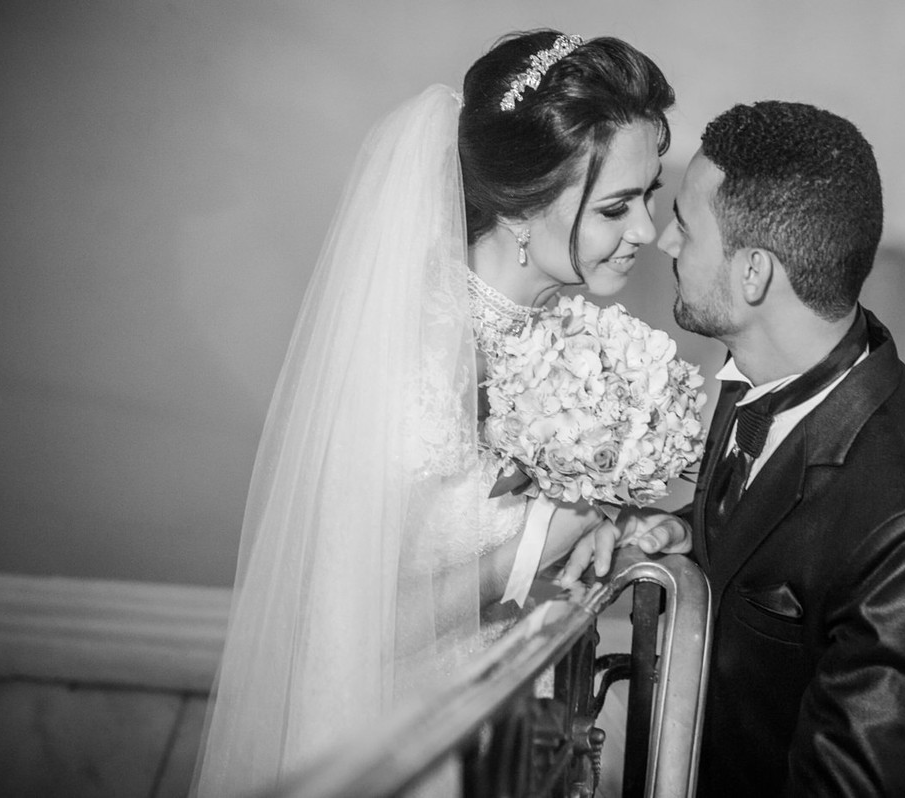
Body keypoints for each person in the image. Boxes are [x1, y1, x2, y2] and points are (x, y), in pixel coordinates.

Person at [192, 30, 675, 796]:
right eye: (618, 206)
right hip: (420, 740)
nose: (648, 230)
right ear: (522, 209)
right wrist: (548, 537)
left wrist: (615, 520)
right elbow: (356, 630)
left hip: (528, 715)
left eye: (649, 195)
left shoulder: (575, 335)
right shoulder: (417, 361)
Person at [609, 101, 905, 795]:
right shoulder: (760, 372)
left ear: (754, 274)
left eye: (686, 226)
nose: (665, 241)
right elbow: (769, 538)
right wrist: (684, 535)